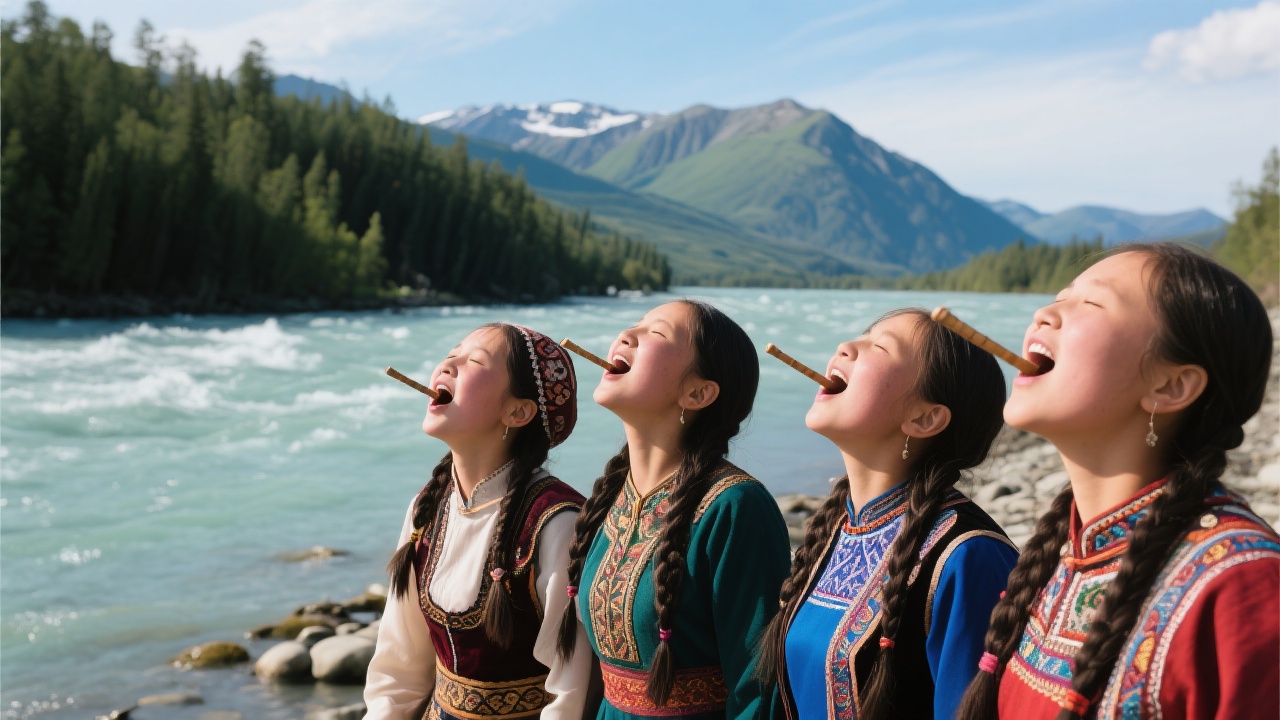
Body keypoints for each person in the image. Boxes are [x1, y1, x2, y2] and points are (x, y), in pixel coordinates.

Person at [956, 244, 1280, 720]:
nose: (1043, 313)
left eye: (1090, 303)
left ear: (1170, 386)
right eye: (1059, 296)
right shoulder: (1055, 559)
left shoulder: (1242, 586)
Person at [759, 308, 1019, 720]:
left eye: (878, 347)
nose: (845, 347)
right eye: (861, 336)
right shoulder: (836, 528)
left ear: (924, 417)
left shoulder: (970, 558)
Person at [555, 300, 791, 719]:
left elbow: (758, 690)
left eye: (656, 333)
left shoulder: (735, 508)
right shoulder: (610, 498)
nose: (627, 335)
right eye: (635, 325)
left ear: (698, 393)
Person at [364, 323, 593, 720]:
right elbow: (398, 666)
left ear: (518, 411)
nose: (447, 365)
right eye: (450, 354)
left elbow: (570, 693)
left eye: (472, 361)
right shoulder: (427, 507)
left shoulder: (558, 521)